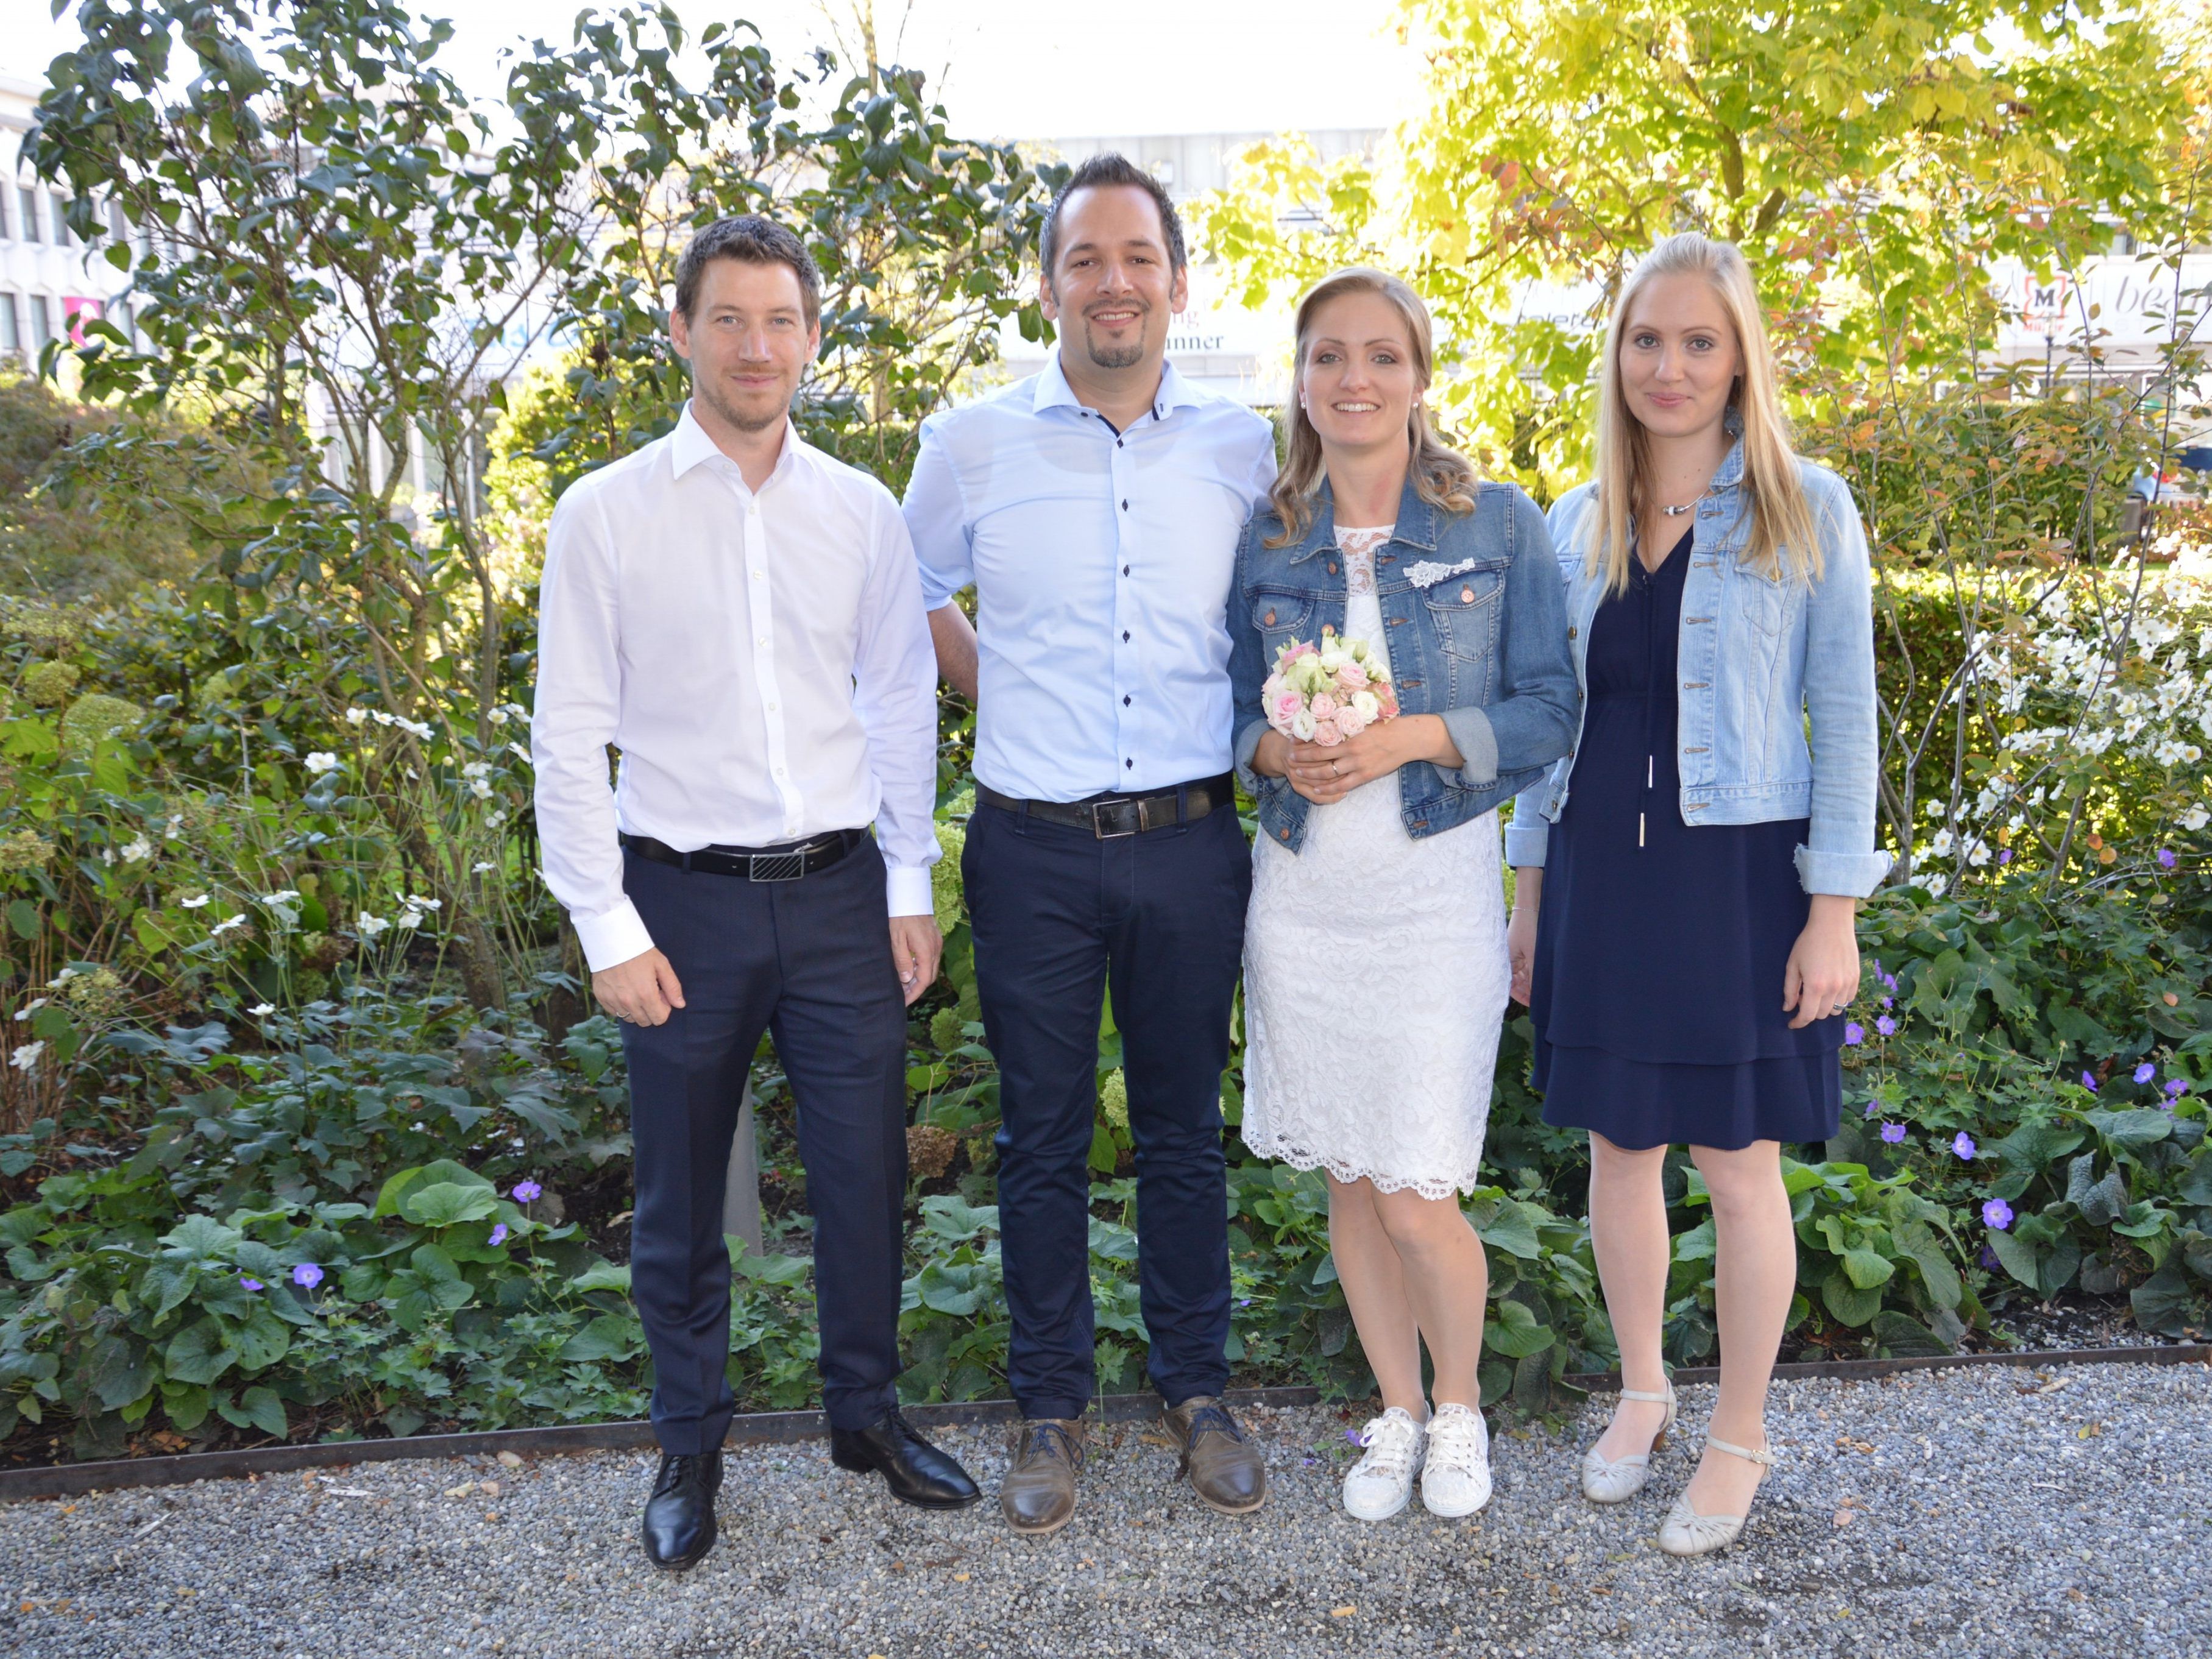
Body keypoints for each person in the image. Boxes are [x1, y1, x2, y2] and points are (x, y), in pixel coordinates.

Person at [533, 215, 979, 1573]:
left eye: (781, 322)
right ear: (679, 332)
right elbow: (568, 733)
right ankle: (690, 1442)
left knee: (859, 1180)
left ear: (813, 340)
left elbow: (904, 701)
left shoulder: (860, 510)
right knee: (676, 1197)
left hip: (844, 899)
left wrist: (912, 883)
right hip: (682, 906)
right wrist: (606, 923)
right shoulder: (603, 513)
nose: (755, 347)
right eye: (728, 319)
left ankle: (865, 1417)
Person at [903, 153, 1277, 1535]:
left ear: (1178, 284)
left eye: (1137, 259)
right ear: (1049, 283)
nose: (1112, 283)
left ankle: (1197, 1392)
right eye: (1085, 260)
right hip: (1035, 849)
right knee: (1044, 1138)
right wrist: (998, 682)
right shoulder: (974, 443)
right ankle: (1048, 1409)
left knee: (1183, 1134)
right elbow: (907, 588)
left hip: (1190, 844)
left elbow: (1290, 606)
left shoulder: (1242, 447)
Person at [1503, 232, 1890, 1557]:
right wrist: (1528, 896)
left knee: (1737, 1163)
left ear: (1741, 362)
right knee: (1619, 1144)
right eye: (1647, 340)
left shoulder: (1804, 507)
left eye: (1699, 342)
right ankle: (1643, 1392)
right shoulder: (1575, 521)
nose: (1669, 367)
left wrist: (1832, 908)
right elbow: (1551, 728)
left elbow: (1845, 716)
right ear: (1617, 356)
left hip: (1739, 875)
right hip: (1604, 869)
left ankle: (1740, 1437)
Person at [1230, 268, 1576, 1521]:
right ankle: (1396, 1410)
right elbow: (1223, 712)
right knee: (1352, 1181)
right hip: (1306, 898)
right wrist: (1281, 750)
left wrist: (1408, 737)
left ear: (1422, 374)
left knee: (1420, 1186)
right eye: (1330, 357)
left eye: (1381, 356)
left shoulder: (1499, 525)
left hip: (1432, 900)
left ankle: (1465, 1409)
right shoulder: (1271, 536)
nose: (1355, 380)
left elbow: (1548, 712)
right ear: (1303, 379)